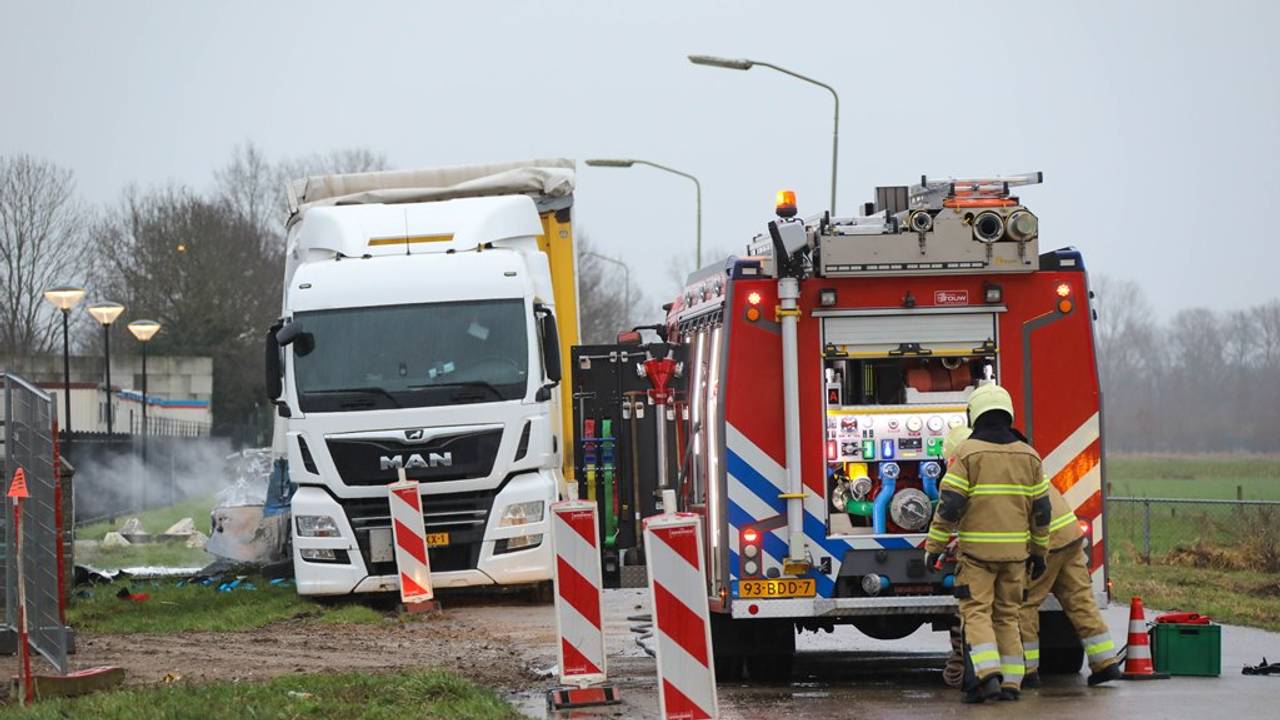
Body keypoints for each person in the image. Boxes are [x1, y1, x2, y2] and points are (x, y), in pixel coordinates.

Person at [924, 384, 1051, 703]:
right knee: (1008, 615)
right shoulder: (1030, 455)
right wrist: (1039, 553)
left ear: (975, 415)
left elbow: (949, 506)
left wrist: (934, 548)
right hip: (1016, 557)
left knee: (977, 613)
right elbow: (1042, 512)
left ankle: (986, 675)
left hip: (978, 557)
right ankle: (1011, 683)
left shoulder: (968, 454)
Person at [1019, 480, 1122, 687]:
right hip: (1070, 534)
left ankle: (1026, 671)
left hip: (1048, 541)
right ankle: (1106, 663)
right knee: (1081, 601)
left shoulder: (986, 471)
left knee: (1024, 604)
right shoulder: (1026, 463)